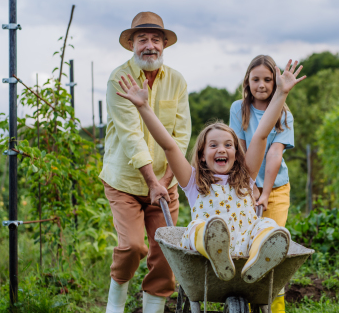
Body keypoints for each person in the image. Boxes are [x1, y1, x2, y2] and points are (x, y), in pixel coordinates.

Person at [116, 60, 305, 286]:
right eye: (213, 145)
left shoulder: (246, 177)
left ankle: (258, 260)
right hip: (206, 253)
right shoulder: (194, 181)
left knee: (268, 226)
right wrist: (143, 107)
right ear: (202, 154)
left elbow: (262, 134)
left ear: (237, 152)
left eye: (228, 145)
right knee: (200, 227)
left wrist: (281, 93)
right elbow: (169, 146)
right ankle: (216, 248)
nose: (221, 149)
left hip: (243, 247)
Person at [100, 12, 191, 313]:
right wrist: (151, 181)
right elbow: (130, 136)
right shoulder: (119, 79)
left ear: (164, 44)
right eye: (142, 39)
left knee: (167, 250)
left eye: (155, 39)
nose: (149, 45)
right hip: (125, 180)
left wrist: (165, 182)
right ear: (131, 44)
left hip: (164, 183)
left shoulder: (177, 81)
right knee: (133, 246)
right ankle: (115, 305)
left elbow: (181, 135)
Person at [229, 55, 296, 313]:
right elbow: (240, 148)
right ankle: (245, 307)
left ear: (276, 83)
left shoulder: (284, 114)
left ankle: (276, 311)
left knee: (272, 247)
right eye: (256, 79)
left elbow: (274, 155)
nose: (262, 85)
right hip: (245, 186)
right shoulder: (239, 108)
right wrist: (250, 187)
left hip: (276, 188)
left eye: (268, 80)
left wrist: (265, 192)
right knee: (245, 244)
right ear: (247, 81)